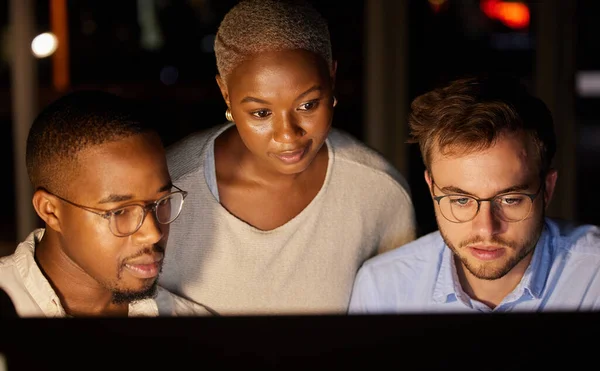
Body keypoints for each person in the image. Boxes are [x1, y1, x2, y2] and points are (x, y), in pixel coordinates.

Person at [159, 0, 417, 315]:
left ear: (332, 78)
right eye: (261, 112)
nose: (287, 134)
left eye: (308, 105)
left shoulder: (378, 192)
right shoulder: (166, 191)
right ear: (225, 93)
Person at [348, 74, 600, 314]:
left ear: (547, 189)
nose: (486, 230)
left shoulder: (593, 275)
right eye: (461, 200)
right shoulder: (383, 289)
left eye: (510, 200)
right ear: (431, 188)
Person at [0, 90, 215, 317]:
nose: (153, 233)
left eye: (161, 201)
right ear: (50, 211)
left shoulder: (195, 333)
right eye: (120, 211)